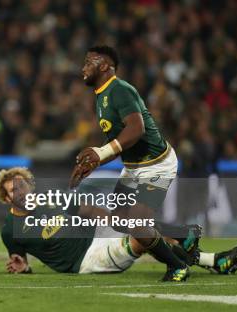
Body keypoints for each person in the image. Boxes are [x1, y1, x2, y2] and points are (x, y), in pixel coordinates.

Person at [70, 45, 192, 281]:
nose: (82, 68)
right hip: (134, 167)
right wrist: (95, 161)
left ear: (104, 65)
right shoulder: (102, 96)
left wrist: (101, 152)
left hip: (156, 164)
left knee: (136, 224)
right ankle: (181, 235)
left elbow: (136, 129)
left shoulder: (120, 90)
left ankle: (177, 266)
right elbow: (120, 143)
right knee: (120, 219)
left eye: (88, 62)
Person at [0, 167, 237, 275]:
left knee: (137, 222)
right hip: (85, 260)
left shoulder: (51, 199)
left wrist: (118, 221)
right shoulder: (9, 230)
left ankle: (206, 260)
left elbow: (87, 209)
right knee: (140, 239)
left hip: (96, 232)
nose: (21, 192)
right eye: (13, 190)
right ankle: (201, 257)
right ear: (6, 199)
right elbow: (20, 260)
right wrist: (23, 267)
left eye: (23, 186)